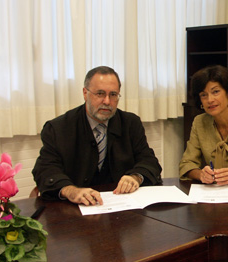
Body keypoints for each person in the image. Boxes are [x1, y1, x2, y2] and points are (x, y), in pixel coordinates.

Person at [32, 66, 162, 205]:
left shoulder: (130, 123)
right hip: (75, 210)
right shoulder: (58, 128)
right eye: (100, 94)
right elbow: (45, 170)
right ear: (85, 93)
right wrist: (71, 190)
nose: (107, 101)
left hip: (122, 207)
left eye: (113, 95)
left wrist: (136, 177)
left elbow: (149, 162)